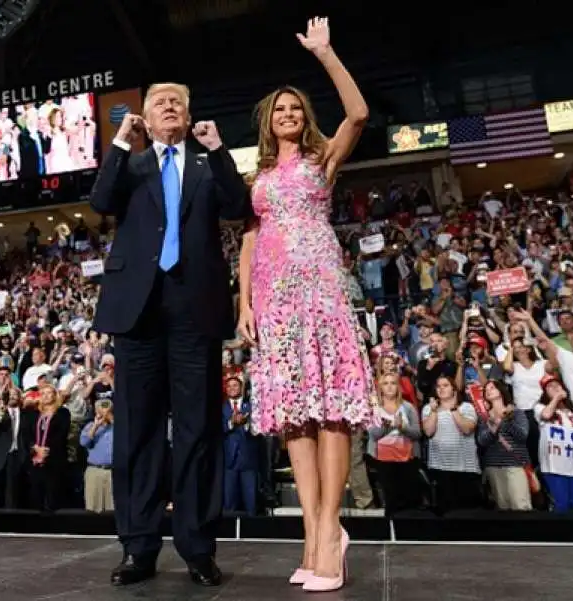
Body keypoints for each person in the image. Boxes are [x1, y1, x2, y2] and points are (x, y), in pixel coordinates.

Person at [90, 81, 248, 587]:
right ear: (145, 117)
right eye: (160, 102)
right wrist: (120, 140)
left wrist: (218, 146)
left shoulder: (206, 163)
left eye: (178, 101)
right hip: (137, 310)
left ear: (189, 113)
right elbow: (100, 199)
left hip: (194, 309)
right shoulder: (131, 164)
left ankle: (198, 548)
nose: (170, 108)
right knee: (137, 431)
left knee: (198, 429)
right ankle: (138, 547)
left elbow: (237, 204)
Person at [237, 17, 376, 593]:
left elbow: (360, 114)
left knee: (331, 409)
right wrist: (244, 303)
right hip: (273, 301)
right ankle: (312, 538)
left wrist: (325, 54)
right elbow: (247, 239)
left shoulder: (324, 160)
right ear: (268, 121)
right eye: (280, 110)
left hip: (320, 292)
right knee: (294, 416)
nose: (288, 116)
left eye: (296, 109)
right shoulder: (258, 176)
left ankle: (330, 532)